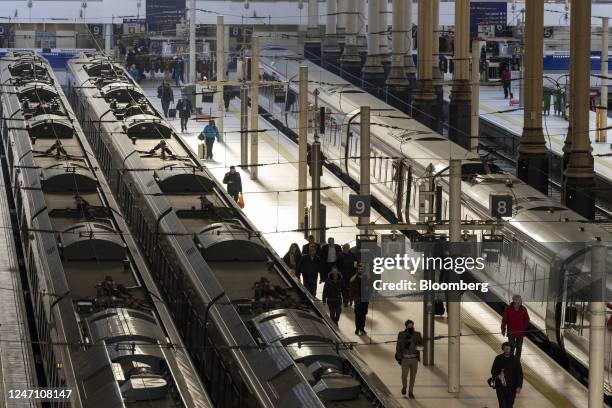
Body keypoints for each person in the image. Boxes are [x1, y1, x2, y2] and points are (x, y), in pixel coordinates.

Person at [396, 320, 423, 398]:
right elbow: (398, 347)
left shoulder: (417, 335)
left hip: (414, 359)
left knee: (413, 376)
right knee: (404, 375)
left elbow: (421, 348)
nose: (411, 327)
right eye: (409, 326)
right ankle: (404, 386)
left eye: (412, 326)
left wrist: (416, 343)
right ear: (406, 326)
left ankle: (411, 391)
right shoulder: (401, 334)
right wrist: (399, 358)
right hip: (405, 359)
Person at [491, 342, 523, 408]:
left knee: (509, 405)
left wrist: (519, 386)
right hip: (500, 386)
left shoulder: (515, 359)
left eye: (508, 349)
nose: (507, 350)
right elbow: (493, 370)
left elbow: (519, 373)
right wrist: (497, 376)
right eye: (505, 349)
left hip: (512, 387)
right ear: (503, 349)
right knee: (502, 404)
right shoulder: (498, 358)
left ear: (511, 349)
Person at [501, 295, 530, 359]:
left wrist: (523, 327)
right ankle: (511, 361)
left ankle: (517, 362)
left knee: (519, 349)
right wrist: (503, 329)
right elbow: (504, 320)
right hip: (511, 333)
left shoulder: (523, 309)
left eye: (521, 300)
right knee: (512, 348)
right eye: (519, 300)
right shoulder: (508, 309)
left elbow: (527, 319)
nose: (521, 301)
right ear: (514, 301)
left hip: (520, 333)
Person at [351, 263, 368, 335]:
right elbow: (351, 281)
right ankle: (357, 328)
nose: (361, 270)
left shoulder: (366, 277)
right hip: (357, 300)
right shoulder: (355, 278)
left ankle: (362, 328)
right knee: (357, 314)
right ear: (357, 270)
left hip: (364, 300)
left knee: (363, 314)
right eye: (359, 269)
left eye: (362, 269)